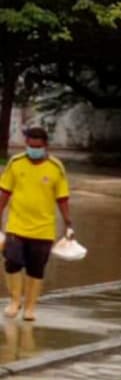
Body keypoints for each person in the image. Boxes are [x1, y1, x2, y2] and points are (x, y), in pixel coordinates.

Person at [0, 124, 73, 322]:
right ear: (26, 143)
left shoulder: (56, 167)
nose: (33, 150)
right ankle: (15, 301)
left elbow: (62, 198)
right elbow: (5, 192)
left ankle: (30, 307)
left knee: (36, 268)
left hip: (43, 229)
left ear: (46, 145)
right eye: (30, 146)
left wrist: (68, 222)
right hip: (16, 226)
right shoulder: (16, 163)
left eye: (38, 147)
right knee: (12, 262)